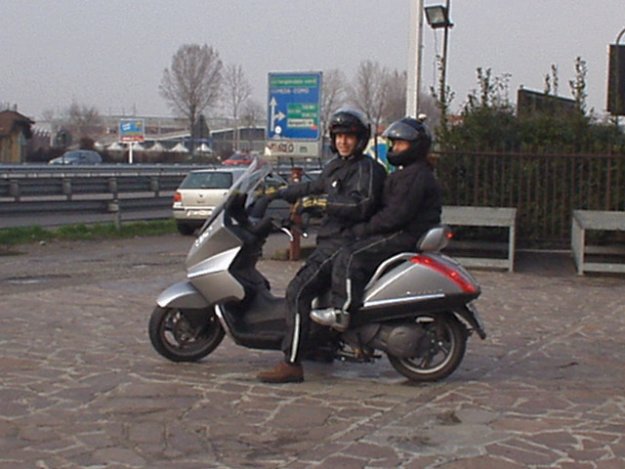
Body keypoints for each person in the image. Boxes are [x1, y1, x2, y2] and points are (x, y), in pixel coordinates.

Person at [257, 107, 387, 383]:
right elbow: (313, 187)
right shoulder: (337, 166)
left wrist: (322, 203)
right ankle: (321, 346)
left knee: (297, 291)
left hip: (342, 241)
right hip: (330, 240)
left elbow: (361, 204)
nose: (343, 142)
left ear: (360, 139)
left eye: (349, 136)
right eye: (338, 136)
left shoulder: (367, 169)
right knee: (315, 294)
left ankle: (292, 363)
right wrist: (277, 193)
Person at [310, 117, 442, 331]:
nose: (394, 148)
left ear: (416, 147)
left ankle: (341, 311)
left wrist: (363, 229)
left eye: (400, 144)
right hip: (405, 230)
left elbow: (394, 216)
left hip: (404, 233)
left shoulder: (414, 176)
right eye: (393, 143)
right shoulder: (410, 172)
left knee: (350, 255)